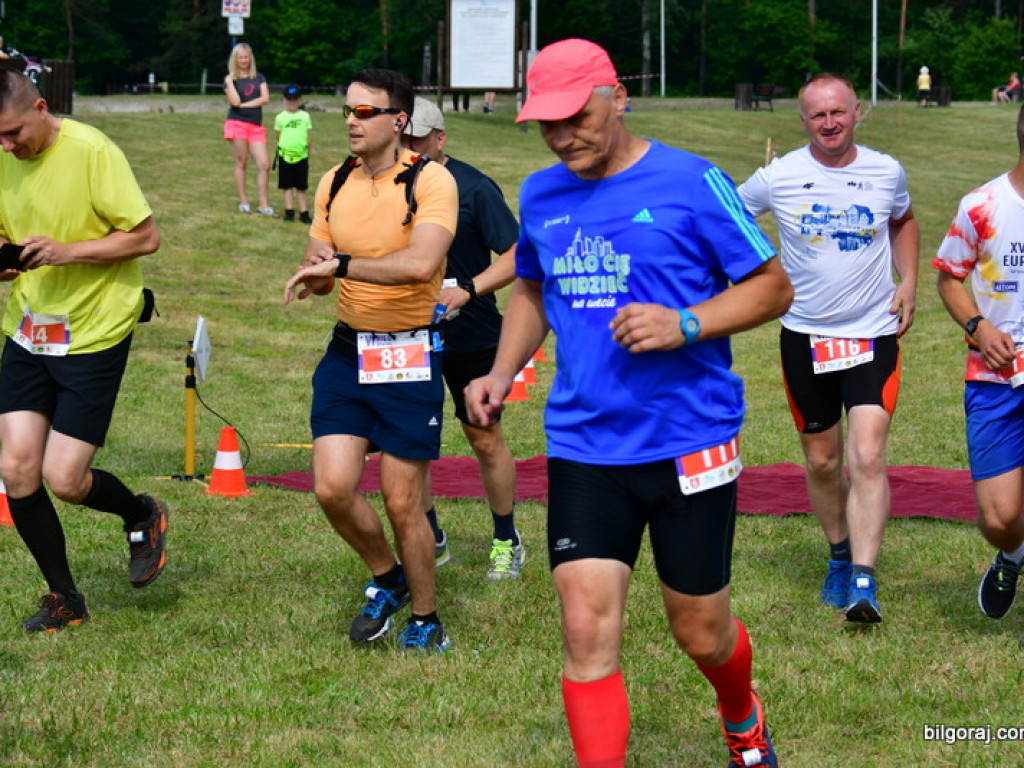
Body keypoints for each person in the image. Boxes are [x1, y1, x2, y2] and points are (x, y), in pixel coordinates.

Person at [465, 39, 792, 768]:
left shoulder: (693, 181)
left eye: (575, 116)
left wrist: (687, 323)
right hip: (584, 445)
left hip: (689, 441)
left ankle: (741, 715)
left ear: (616, 97)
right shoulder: (541, 193)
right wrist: (499, 369)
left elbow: (773, 287)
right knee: (585, 633)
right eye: (546, 125)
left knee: (700, 631)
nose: (561, 136)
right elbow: (532, 286)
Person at [282, 69, 458, 654]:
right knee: (332, 488)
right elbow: (323, 256)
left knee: (403, 499)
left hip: (407, 351)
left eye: (365, 112)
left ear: (398, 121)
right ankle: (389, 578)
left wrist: (340, 266)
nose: (352, 121)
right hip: (347, 350)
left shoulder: (433, 182)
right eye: (348, 112)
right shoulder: (334, 181)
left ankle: (427, 620)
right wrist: (316, 273)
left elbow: (419, 265)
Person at [738, 73, 919, 624]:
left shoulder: (886, 171)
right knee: (822, 461)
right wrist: (760, 271)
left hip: (871, 333)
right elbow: (730, 213)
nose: (830, 123)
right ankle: (839, 553)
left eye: (838, 112)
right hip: (805, 336)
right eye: (818, 116)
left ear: (857, 112)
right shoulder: (781, 176)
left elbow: (904, 219)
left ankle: (864, 579)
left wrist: (906, 279)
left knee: (867, 454)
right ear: (803, 120)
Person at [0, 70, 167, 632]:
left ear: (41, 108)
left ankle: (141, 514)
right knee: (18, 469)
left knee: (66, 480)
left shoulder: (93, 150)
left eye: (14, 132)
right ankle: (64, 598)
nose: (7, 145)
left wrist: (66, 251)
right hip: (28, 328)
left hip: (93, 330)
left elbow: (145, 237)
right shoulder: (1, 155)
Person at [403, 96, 523, 579]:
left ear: (440, 137)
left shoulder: (473, 188)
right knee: (409, 442)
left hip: (472, 335)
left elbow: (517, 255)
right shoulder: (389, 184)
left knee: (484, 437)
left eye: (416, 141)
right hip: (407, 334)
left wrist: (470, 289)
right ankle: (430, 535)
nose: (408, 150)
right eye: (402, 140)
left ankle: (505, 538)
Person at [934, 104, 1024, 621]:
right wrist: (979, 326)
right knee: (998, 516)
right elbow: (949, 277)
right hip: (996, 380)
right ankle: (1012, 554)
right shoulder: (982, 205)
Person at [224, 43, 275, 216]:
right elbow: (235, 101)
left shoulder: (259, 77)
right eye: (240, 57)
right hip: (237, 123)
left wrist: (245, 105)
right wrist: (229, 82)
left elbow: (265, 98)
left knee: (264, 164)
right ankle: (244, 202)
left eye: (246, 57)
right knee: (242, 162)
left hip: (256, 126)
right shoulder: (231, 79)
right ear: (235, 59)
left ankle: (263, 205)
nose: (244, 60)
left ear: (250, 58)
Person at [274, 85, 313, 224]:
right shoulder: (280, 118)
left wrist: (308, 150)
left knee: (301, 187)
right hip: (285, 155)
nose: (292, 102)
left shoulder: (305, 116)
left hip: (301, 156)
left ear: (300, 100)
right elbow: (278, 135)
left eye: (295, 99)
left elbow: (308, 135)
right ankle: (289, 211)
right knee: (287, 186)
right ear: (284, 100)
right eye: (289, 99)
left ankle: (304, 212)